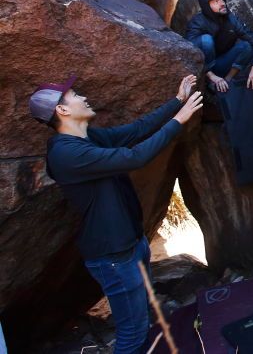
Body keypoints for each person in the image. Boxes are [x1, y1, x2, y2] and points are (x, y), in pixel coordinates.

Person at [30, 74, 203, 354]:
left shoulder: (89, 137)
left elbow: (136, 130)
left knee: (144, 319)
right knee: (131, 335)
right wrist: (179, 120)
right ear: (62, 110)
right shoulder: (66, 153)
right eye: (75, 95)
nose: (83, 97)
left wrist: (176, 101)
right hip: (113, 256)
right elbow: (134, 157)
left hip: (131, 244)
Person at [185, 0, 253, 93]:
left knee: (247, 46)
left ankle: (226, 82)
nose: (222, 3)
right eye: (216, 1)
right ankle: (212, 81)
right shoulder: (197, 22)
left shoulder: (231, 19)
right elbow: (188, 53)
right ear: (206, 6)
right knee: (206, 40)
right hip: (203, 69)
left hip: (221, 64)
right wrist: (211, 75)